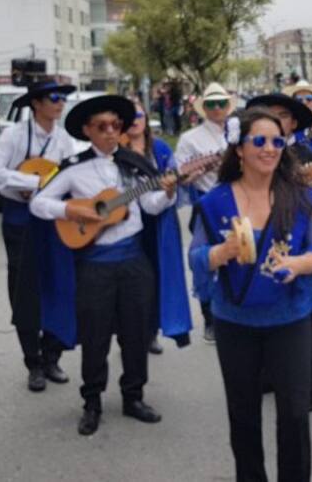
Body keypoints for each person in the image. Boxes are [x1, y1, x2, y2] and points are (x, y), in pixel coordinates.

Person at [190, 108, 312, 481]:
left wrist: (298, 264)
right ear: (239, 148)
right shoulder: (214, 202)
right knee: (243, 415)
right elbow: (197, 256)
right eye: (259, 141)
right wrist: (220, 254)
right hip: (234, 322)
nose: (270, 149)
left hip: (290, 320)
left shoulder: (303, 199)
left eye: (277, 141)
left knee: (294, 414)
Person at [30, 95, 183, 436]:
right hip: (94, 265)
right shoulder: (72, 167)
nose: (111, 132)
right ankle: (92, 402)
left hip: (134, 261)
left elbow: (152, 206)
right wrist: (72, 211)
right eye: (102, 126)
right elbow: (39, 204)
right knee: (95, 336)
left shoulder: (133, 164)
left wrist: (169, 193)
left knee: (137, 332)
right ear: (87, 130)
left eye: (116, 125)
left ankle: (134, 396)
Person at [247, 92, 312, 412]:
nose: (277, 121)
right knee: (260, 307)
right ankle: (266, 375)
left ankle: (308, 384)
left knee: (306, 317)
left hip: (301, 248)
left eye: (283, 116)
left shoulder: (310, 155)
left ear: (292, 124)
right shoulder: (246, 156)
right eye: (269, 115)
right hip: (259, 244)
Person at [0, 80, 76, 393]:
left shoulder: (64, 139)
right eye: (54, 97)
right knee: (24, 288)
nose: (60, 102)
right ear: (36, 103)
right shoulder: (15, 135)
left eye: (63, 98)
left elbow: (70, 176)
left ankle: (52, 356)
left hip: (52, 219)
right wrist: (28, 180)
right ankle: (32, 361)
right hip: (19, 217)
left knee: (57, 284)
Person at [119, 101, 194, 357]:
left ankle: (149, 332)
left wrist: (172, 187)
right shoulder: (116, 151)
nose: (135, 120)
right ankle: (126, 332)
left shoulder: (160, 149)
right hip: (123, 223)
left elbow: (172, 183)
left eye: (139, 114)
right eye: (130, 116)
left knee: (155, 279)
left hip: (158, 222)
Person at [175, 81, 235, 344]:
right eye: (212, 103)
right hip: (207, 202)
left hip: (238, 200)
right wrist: (198, 171)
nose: (218, 108)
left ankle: (233, 310)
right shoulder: (190, 139)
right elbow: (181, 176)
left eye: (222, 103)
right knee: (205, 259)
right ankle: (209, 318)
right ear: (204, 108)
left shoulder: (237, 132)